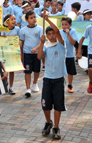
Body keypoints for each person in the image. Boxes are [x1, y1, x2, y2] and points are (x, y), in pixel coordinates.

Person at [37, 12, 66, 140]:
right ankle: (48, 122)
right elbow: (39, 57)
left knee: (58, 105)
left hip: (59, 80)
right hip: (48, 79)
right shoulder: (46, 47)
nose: (52, 35)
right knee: (45, 104)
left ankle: (56, 127)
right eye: (49, 34)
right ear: (46, 36)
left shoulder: (61, 44)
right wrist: (42, 43)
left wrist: (47, 20)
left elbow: (58, 31)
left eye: (53, 33)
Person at [20, 10, 43, 97]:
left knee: (37, 70)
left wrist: (36, 48)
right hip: (27, 53)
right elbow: (21, 42)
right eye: (31, 18)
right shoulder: (23, 30)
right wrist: (20, 54)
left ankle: (35, 83)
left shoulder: (40, 29)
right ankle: (28, 88)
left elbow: (42, 41)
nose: (33, 19)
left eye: (34, 17)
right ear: (26, 20)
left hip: (37, 53)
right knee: (27, 71)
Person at [77, 9, 92, 97]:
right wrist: (79, 52)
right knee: (90, 69)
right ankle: (91, 82)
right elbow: (81, 40)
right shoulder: (89, 27)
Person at [0, 14, 21, 94]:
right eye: (12, 19)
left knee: (12, 70)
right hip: (5, 52)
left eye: (15, 19)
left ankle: (11, 87)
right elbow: (0, 39)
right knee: (5, 70)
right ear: (7, 21)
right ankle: (5, 83)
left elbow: (19, 39)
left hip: (13, 52)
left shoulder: (17, 29)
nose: (14, 21)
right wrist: (3, 37)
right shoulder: (3, 30)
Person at [60, 17, 78, 93]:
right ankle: (61, 84)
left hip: (70, 55)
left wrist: (68, 34)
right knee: (60, 71)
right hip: (61, 55)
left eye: (66, 25)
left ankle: (70, 85)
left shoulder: (73, 32)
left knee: (70, 71)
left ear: (70, 25)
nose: (64, 26)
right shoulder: (60, 32)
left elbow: (73, 42)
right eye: (63, 24)